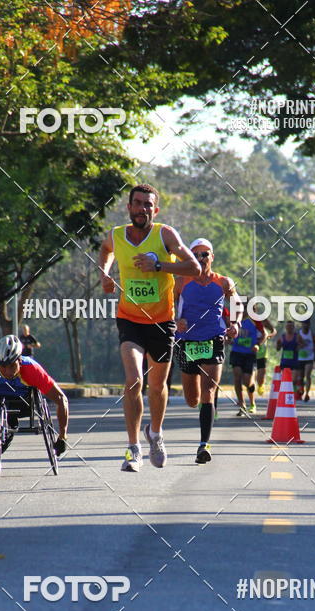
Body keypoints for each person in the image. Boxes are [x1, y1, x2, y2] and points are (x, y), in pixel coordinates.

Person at [98, 184, 200, 471]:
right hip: (129, 319)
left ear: (155, 210)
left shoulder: (165, 235)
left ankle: (155, 433)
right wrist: (104, 274)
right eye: (138, 203)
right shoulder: (117, 235)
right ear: (129, 207)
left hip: (162, 321)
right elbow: (105, 250)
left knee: (157, 386)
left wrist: (159, 266)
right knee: (133, 381)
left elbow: (194, 268)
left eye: (147, 204)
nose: (142, 208)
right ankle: (133, 449)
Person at [174, 238, 239, 463]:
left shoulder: (223, 282)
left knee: (208, 391)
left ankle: (204, 445)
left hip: (214, 338)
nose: (201, 258)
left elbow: (237, 304)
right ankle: (202, 433)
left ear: (212, 257)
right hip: (186, 341)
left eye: (205, 254)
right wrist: (176, 320)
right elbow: (169, 306)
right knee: (192, 399)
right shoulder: (181, 281)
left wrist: (235, 323)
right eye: (196, 254)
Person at [0, 335, 68, 457]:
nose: (8, 371)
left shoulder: (32, 369)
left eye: (12, 366)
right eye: (3, 367)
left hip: (20, 405)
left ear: (19, 360)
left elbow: (61, 399)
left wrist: (62, 436)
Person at [230, 310, 264, 415]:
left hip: (249, 354)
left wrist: (258, 344)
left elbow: (264, 334)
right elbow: (227, 332)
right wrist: (227, 338)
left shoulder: (255, 321)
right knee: (237, 377)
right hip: (236, 352)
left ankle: (252, 403)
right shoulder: (234, 320)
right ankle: (242, 405)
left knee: (247, 382)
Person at [276, 321, 302, 392]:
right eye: (288, 326)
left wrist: (299, 347)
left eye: (291, 326)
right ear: (286, 327)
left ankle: (293, 392)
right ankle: (287, 393)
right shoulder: (282, 337)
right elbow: (278, 349)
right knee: (285, 380)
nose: (289, 328)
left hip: (294, 362)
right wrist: (278, 344)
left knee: (294, 380)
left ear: (293, 327)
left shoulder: (297, 336)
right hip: (285, 362)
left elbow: (303, 344)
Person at [255, 318, 277, 396]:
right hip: (249, 349)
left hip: (261, 350)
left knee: (261, 370)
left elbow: (274, 331)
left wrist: (268, 336)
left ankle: (260, 385)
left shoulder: (262, 319)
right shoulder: (244, 318)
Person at [297, 320, 315, 401]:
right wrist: (300, 345)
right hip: (300, 358)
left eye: (307, 324)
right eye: (304, 324)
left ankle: (307, 394)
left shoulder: (312, 334)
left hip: (309, 358)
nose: (305, 325)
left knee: (308, 375)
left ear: (309, 325)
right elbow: (296, 345)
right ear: (302, 325)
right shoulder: (299, 334)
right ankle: (301, 390)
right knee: (301, 377)